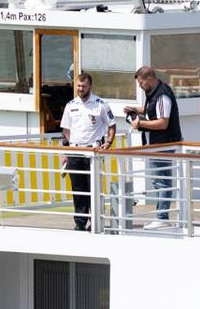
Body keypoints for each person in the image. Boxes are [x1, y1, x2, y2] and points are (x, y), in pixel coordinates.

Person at [125, 66, 183, 229]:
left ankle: (162, 217)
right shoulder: (153, 92)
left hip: (163, 144)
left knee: (162, 181)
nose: (140, 86)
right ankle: (161, 216)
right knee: (158, 180)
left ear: (149, 79)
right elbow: (152, 111)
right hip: (155, 144)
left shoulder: (163, 94)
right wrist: (135, 109)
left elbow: (163, 122)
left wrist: (140, 123)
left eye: (141, 83)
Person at [60, 73, 116, 231]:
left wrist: (108, 143)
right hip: (75, 151)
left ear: (90, 86)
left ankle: (96, 220)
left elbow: (112, 125)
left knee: (93, 188)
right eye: (78, 86)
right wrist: (67, 150)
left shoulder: (101, 104)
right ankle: (80, 222)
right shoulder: (70, 105)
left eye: (83, 86)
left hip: (93, 152)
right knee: (77, 190)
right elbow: (65, 130)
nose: (80, 89)